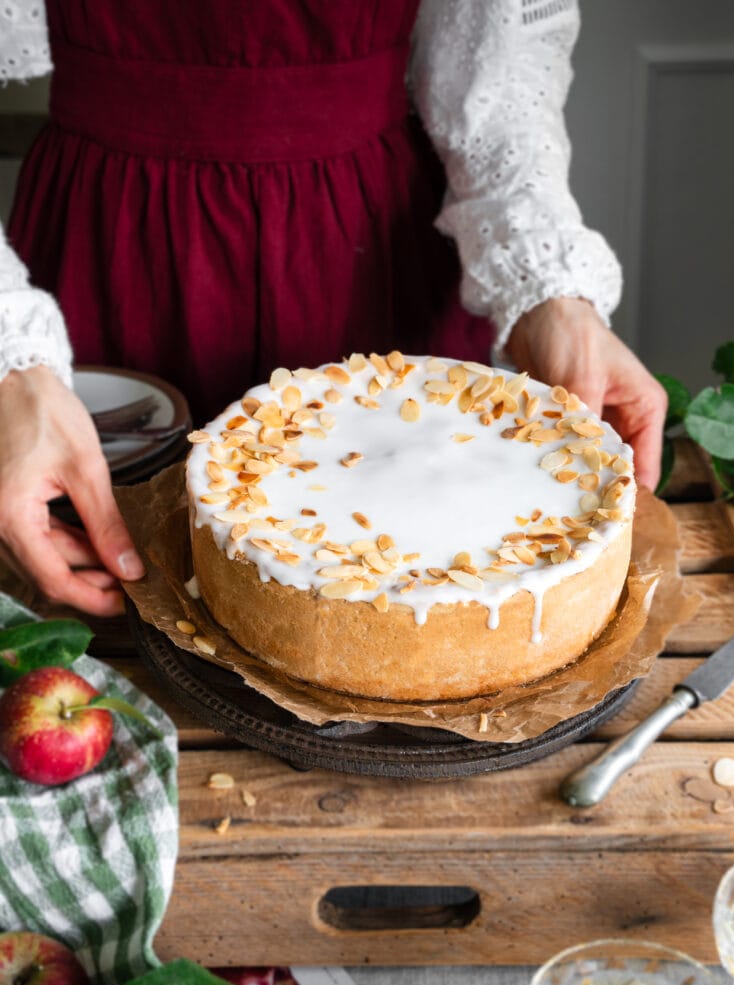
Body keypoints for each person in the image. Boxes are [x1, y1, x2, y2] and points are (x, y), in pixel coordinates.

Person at [0, 0, 666, 617]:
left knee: (411, 597)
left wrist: (549, 292)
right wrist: (10, 360)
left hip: (369, 249)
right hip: (113, 241)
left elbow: (502, 75)